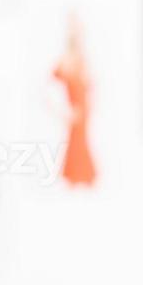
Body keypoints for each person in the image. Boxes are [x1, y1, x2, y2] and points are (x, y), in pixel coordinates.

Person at [52, 12, 97, 187]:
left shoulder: (83, 59)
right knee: (76, 144)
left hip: (84, 111)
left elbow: (89, 86)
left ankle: (82, 178)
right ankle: (75, 177)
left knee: (81, 143)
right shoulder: (66, 61)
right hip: (75, 112)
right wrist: (62, 111)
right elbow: (48, 87)